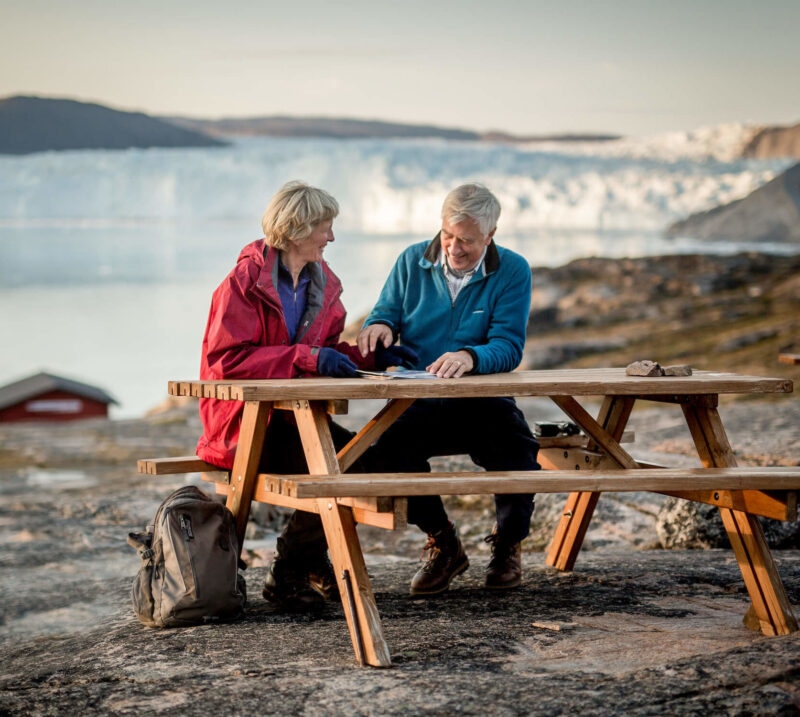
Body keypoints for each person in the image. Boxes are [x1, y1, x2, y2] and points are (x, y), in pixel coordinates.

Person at [196, 180, 415, 610]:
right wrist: (311, 358)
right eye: (325, 227)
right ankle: (293, 573)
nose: (331, 237)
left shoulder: (323, 284)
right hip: (244, 429)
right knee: (341, 467)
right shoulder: (242, 283)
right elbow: (227, 362)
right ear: (297, 228)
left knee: (364, 460)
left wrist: (370, 357)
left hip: (294, 422)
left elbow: (324, 353)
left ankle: (303, 567)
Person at [357, 183, 540, 596]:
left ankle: (508, 544)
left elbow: (509, 345)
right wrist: (380, 326)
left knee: (519, 452)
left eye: (468, 241)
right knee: (386, 452)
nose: (455, 249)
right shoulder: (410, 260)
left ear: (490, 235)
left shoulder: (513, 270)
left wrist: (471, 358)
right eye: (448, 237)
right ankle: (444, 543)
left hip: (482, 401)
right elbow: (383, 313)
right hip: (419, 398)